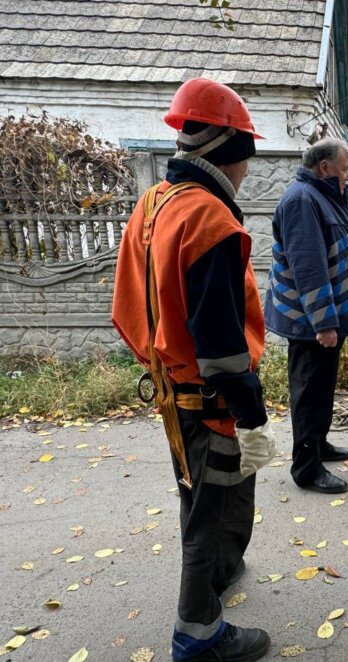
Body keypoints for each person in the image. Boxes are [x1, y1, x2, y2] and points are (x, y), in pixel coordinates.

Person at [112, 78, 274, 662]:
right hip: (211, 398)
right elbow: (224, 351)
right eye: (247, 158)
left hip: (174, 393)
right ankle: (197, 631)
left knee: (206, 492)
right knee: (209, 506)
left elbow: (130, 303)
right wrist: (253, 414)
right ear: (231, 152)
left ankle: (221, 573)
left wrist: (164, 366)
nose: (247, 172)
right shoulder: (211, 222)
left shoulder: (154, 203)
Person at [264, 138, 348, 494]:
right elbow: (309, 267)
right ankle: (306, 468)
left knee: (322, 388)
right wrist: (324, 322)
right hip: (310, 322)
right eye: (344, 170)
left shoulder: (322, 197)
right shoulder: (302, 200)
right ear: (324, 168)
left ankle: (319, 444)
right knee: (309, 394)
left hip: (324, 318)